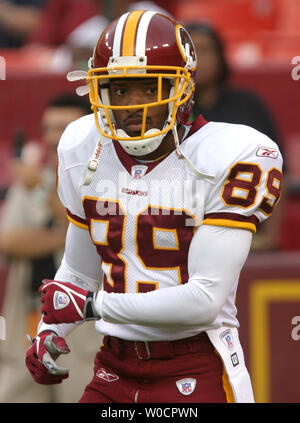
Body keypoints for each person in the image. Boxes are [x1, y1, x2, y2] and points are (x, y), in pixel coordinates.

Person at [25, 11, 283, 403]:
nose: (132, 104)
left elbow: (203, 301)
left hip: (197, 362)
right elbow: (79, 270)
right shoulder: (83, 144)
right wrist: (51, 331)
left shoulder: (230, 153)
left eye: (148, 87)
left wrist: (93, 307)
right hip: (113, 363)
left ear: (183, 88)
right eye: (120, 89)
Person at [0, 94, 101, 403]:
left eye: (63, 127)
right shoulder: (31, 180)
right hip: (27, 324)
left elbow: (88, 231)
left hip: (84, 337)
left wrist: (43, 190)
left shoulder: (106, 183)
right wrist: (66, 236)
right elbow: (9, 241)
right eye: (47, 128)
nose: (52, 137)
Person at [185, 21, 285, 251]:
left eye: (205, 49)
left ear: (221, 57)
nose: (198, 58)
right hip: (182, 233)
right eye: (191, 51)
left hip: (246, 230)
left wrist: (270, 238)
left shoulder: (247, 105)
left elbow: (280, 173)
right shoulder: (166, 111)